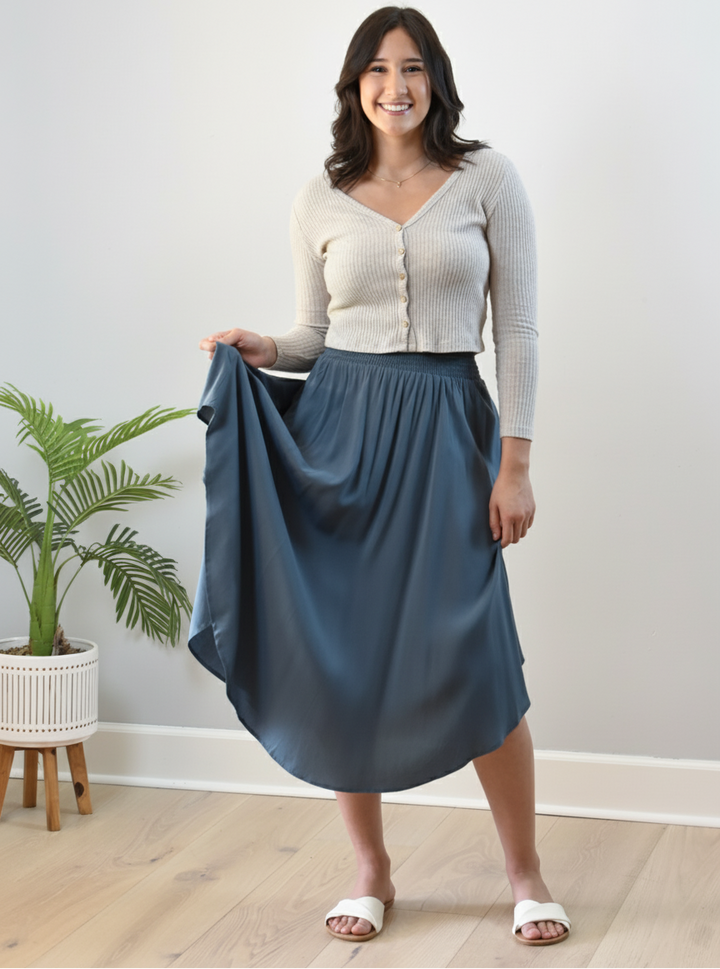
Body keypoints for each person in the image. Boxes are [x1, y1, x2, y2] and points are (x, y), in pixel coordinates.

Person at [192, 5, 570, 948]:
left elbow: (515, 327)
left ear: (434, 79)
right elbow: (318, 334)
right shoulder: (320, 195)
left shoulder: (488, 178)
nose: (394, 86)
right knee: (345, 657)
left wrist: (513, 463)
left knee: (479, 653)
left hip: (449, 430)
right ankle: (371, 869)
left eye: (412, 68)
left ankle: (526, 874)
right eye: (376, 69)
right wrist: (264, 345)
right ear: (354, 85)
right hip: (339, 434)